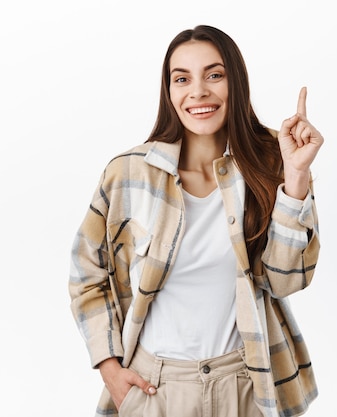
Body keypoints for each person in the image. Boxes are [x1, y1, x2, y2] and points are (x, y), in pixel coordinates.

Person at [69, 24, 323, 417]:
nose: (198, 91)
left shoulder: (272, 161)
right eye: (182, 78)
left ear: (234, 82)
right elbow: (87, 275)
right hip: (155, 387)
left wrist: (296, 178)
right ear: (168, 92)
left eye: (214, 75)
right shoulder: (129, 173)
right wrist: (110, 369)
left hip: (245, 382)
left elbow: (286, 280)